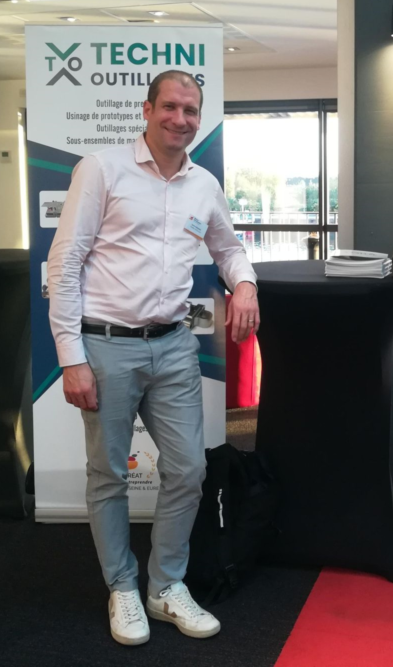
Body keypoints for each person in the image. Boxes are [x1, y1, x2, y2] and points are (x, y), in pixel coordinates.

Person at [47, 70, 260, 646]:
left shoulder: (203, 184)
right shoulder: (102, 169)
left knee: (188, 470)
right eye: (170, 107)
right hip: (105, 346)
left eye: (190, 111)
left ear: (199, 119)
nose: (179, 119)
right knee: (108, 474)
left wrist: (245, 284)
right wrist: (71, 357)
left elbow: (228, 248)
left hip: (174, 346)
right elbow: (64, 264)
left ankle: (165, 586)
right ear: (147, 110)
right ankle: (121, 586)